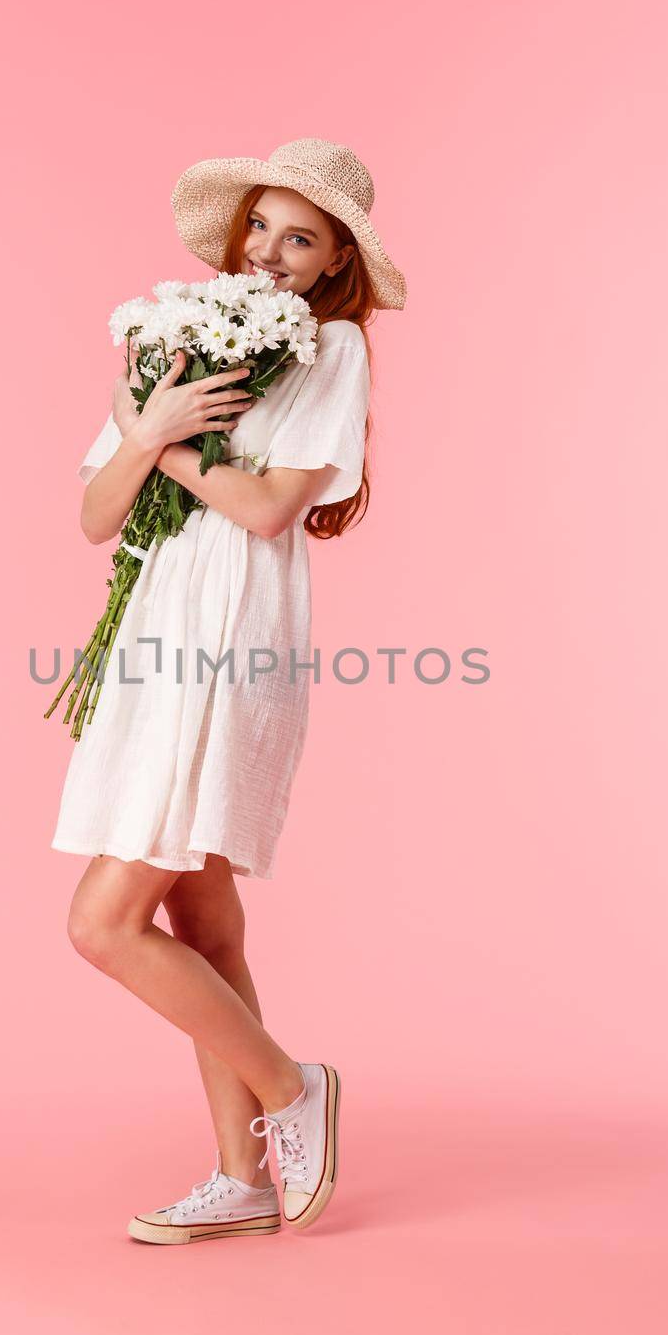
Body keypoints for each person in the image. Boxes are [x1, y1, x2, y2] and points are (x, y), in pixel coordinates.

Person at [51, 139, 407, 1243]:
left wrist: (161, 438)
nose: (268, 253)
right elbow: (94, 513)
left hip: (229, 638)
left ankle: (291, 1086)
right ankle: (241, 1177)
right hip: (153, 626)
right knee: (199, 920)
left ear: (335, 256)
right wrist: (151, 429)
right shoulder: (183, 333)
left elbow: (264, 512)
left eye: (299, 237)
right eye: (260, 226)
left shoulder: (332, 346)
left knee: (102, 924)